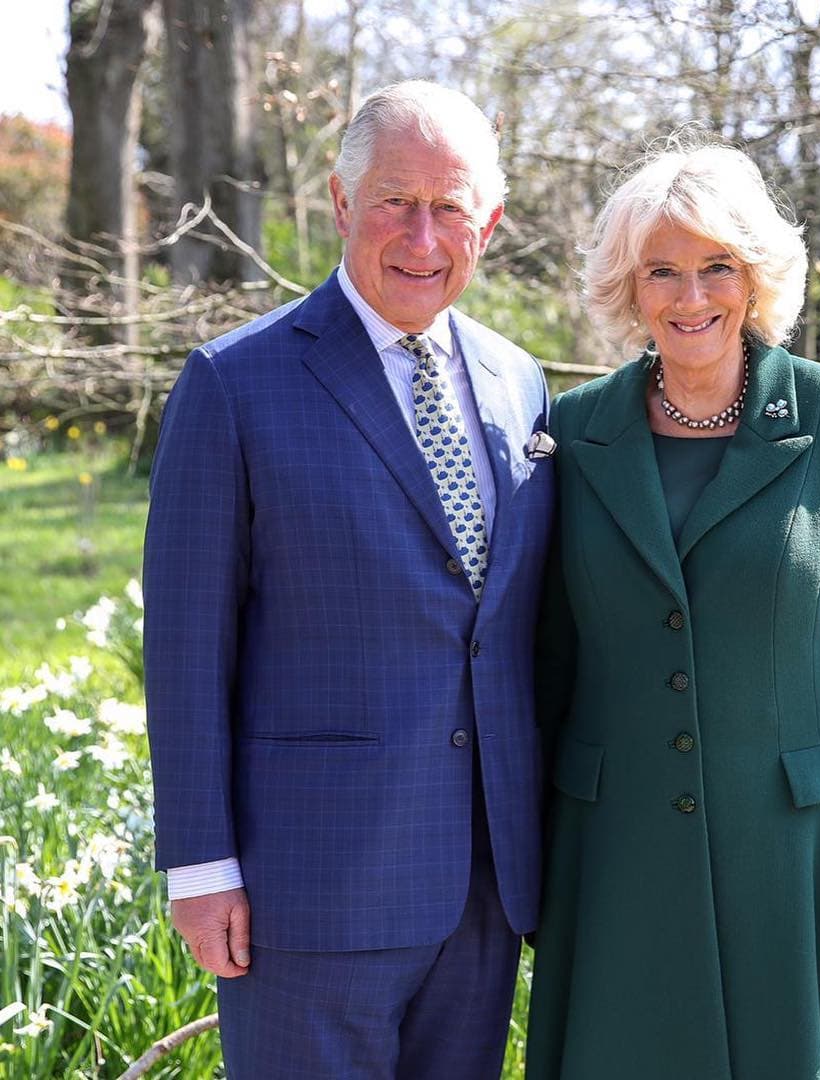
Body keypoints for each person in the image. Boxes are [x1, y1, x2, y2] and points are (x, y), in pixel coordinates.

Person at [143, 80, 554, 1080]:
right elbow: (187, 648)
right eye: (395, 202)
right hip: (309, 890)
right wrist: (199, 867)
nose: (423, 236)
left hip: (484, 889)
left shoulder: (521, 382)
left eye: (450, 207)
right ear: (339, 202)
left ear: (490, 223)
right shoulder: (234, 383)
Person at [526, 137, 820, 1080]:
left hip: (801, 856)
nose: (691, 295)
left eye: (717, 266)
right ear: (630, 287)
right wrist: (530, 852)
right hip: (618, 851)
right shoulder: (574, 432)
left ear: (755, 278)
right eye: (661, 270)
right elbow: (548, 662)